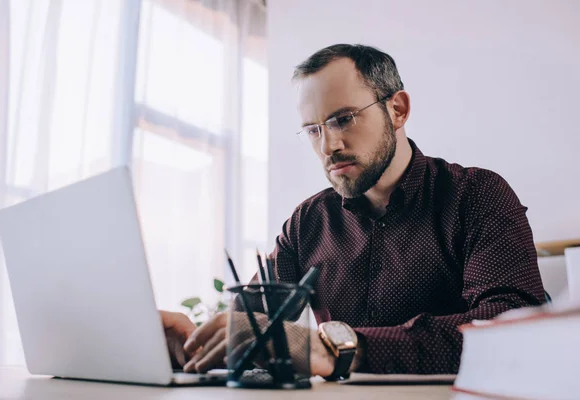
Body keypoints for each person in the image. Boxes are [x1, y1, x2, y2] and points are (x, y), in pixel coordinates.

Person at [161, 44, 545, 378]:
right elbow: (253, 328)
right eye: (313, 129)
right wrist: (196, 344)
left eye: (342, 119)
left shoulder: (477, 195)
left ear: (397, 109)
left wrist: (341, 348)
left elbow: (510, 328)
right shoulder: (306, 223)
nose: (328, 145)